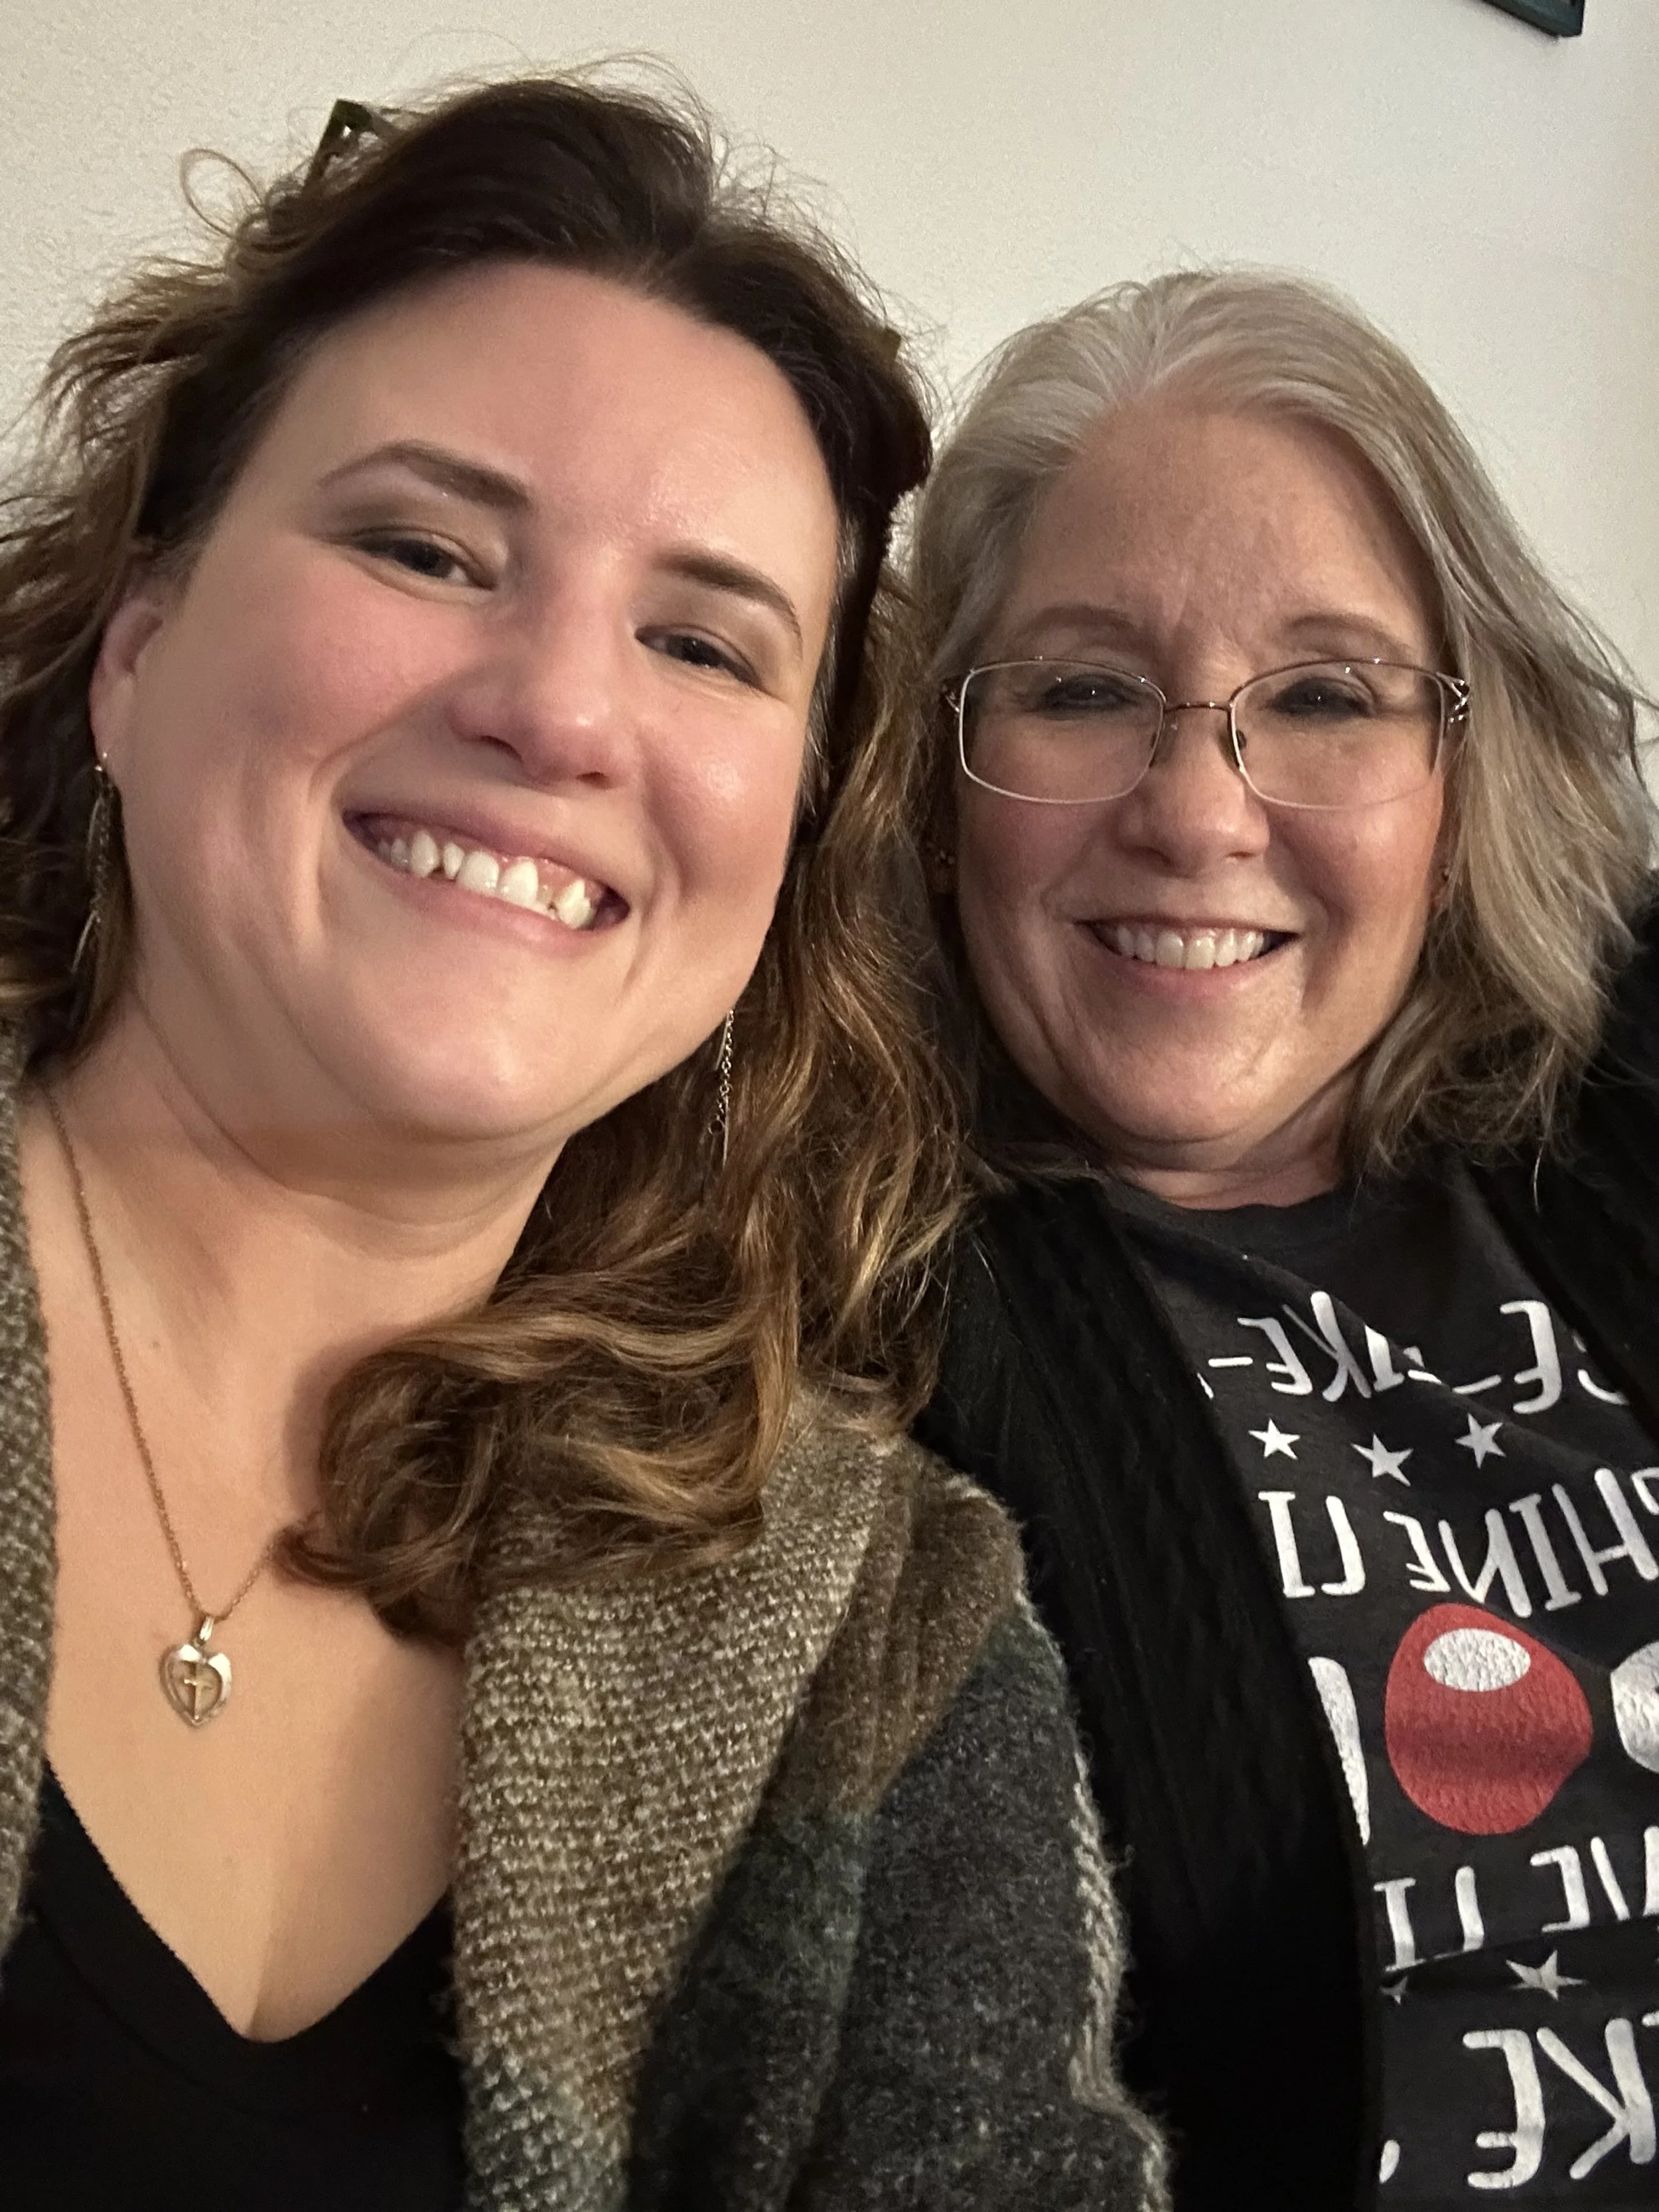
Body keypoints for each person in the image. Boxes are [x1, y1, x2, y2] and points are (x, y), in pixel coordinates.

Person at [0, 80, 1167, 2211]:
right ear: (138, 652)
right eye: (425, 547)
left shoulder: (882, 1627)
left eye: (704, 643)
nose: (560, 710)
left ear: (788, 840)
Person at [910, 269, 1659, 2211]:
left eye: (1322, 694)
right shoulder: (864, 1299)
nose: (1192, 807)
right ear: (931, 766)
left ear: (1463, 766)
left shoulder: (1604, 1096)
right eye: (1082, 688)